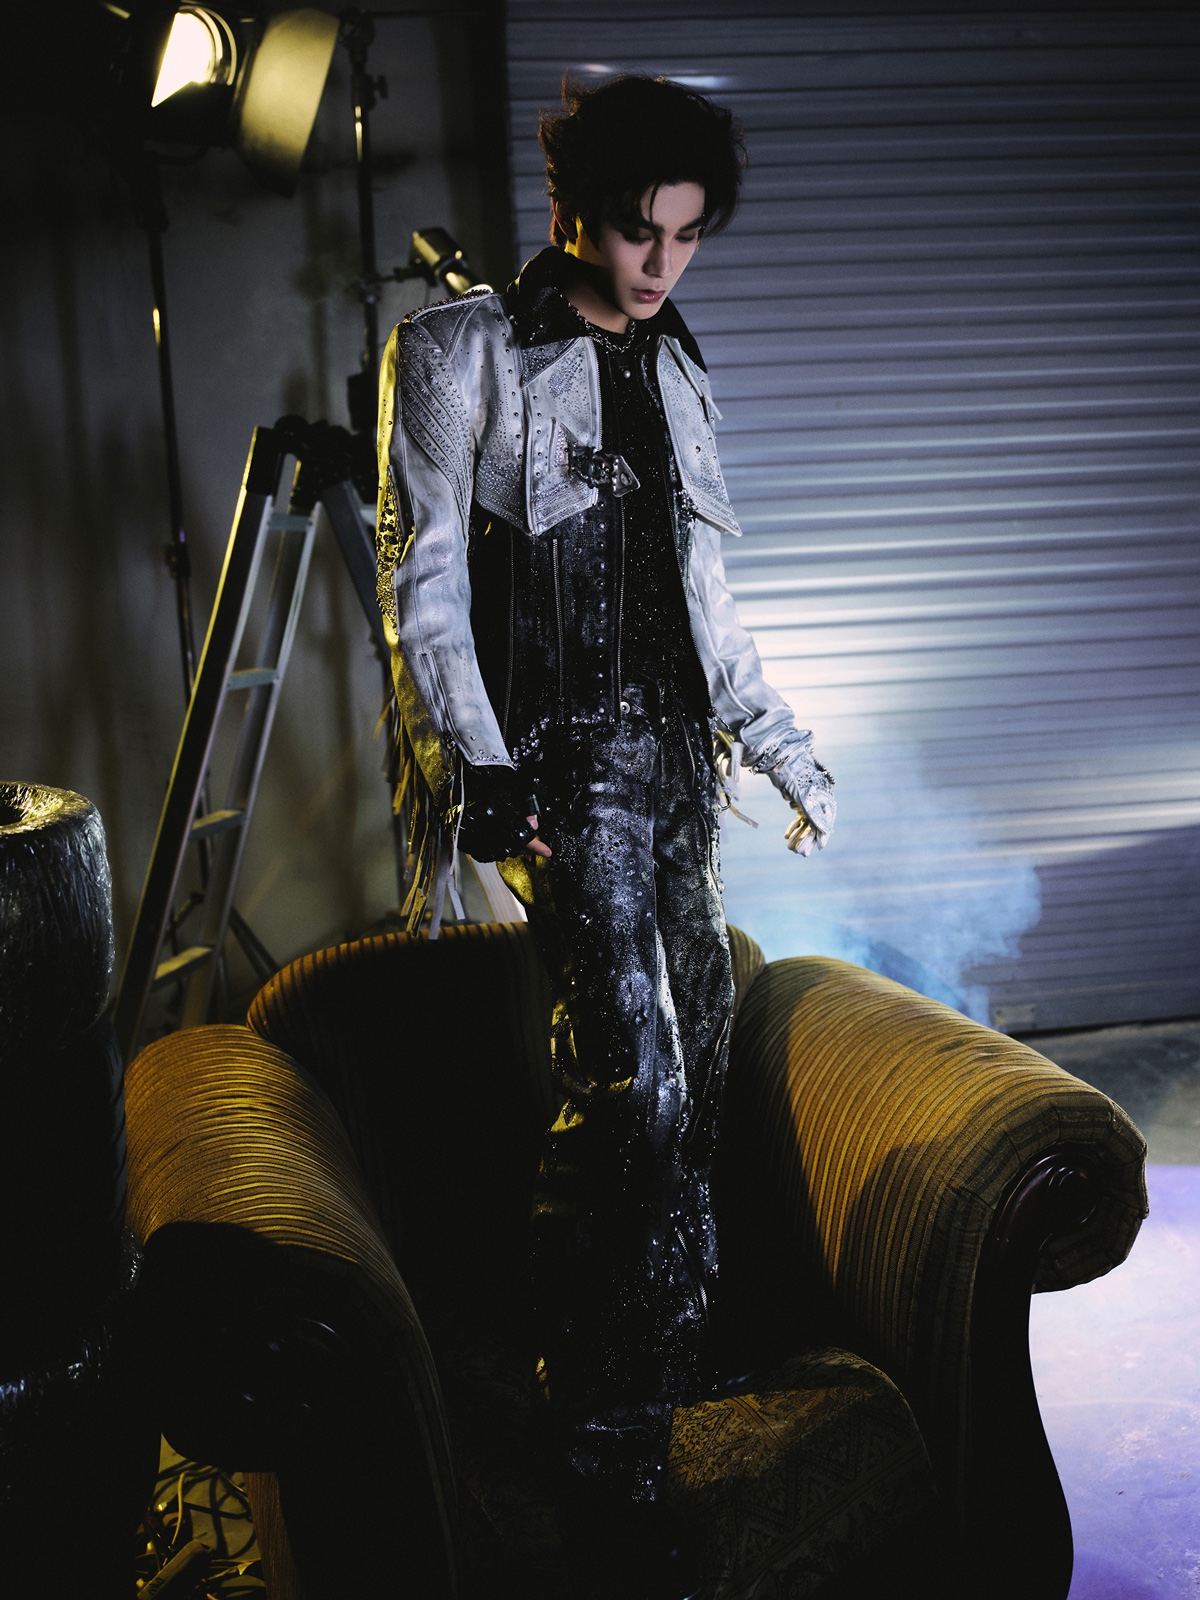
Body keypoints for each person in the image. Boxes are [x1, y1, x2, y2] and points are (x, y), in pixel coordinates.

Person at [376, 73, 835, 1597]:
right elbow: (424, 585)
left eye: (688, 238)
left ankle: (659, 1363)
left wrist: (781, 746)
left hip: (678, 769)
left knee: (690, 1089)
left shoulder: (681, 362)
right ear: (574, 207)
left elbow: (709, 601)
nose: (661, 263)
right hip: (561, 772)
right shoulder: (460, 350)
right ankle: (599, 1441)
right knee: (636, 1092)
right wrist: (481, 768)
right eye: (642, 231)